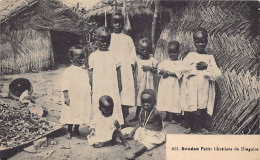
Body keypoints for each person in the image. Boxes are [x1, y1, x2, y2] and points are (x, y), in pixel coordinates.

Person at [182, 28, 221, 134]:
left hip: (204, 87)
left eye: (203, 41)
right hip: (192, 86)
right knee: (190, 105)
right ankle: (188, 126)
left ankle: (203, 127)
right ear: (194, 42)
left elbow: (217, 73)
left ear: (207, 41)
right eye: (197, 41)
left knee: (203, 106)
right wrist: (194, 67)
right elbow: (182, 68)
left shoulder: (209, 58)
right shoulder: (190, 56)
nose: (200, 44)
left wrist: (207, 67)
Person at [88, 26, 124, 125]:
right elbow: (91, 72)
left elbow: (118, 71)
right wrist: (91, 85)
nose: (104, 44)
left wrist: (120, 84)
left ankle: (114, 123)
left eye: (107, 41)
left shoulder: (114, 55)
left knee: (113, 101)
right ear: (96, 40)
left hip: (112, 85)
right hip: (98, 86)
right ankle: (97, 124)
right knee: (98, 102)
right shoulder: (93, 56)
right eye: (101, 41)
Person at [109, 12, 136, 126]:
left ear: (123, 24)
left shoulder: (128, 39)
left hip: (125, 71)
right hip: (112, 70)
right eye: (115, 22)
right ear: (111, 23)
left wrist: (132, 65)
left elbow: (132, 54)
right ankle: (112, 119)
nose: (117, 25)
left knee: (125, 94)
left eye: (119, 22)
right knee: (113, 93)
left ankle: (123, 118)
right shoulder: (108, 37)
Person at [122, 89, 166, 160]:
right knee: (126, 130)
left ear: (154, 102)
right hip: (144, 130)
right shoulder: (142, 111)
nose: (145, 104)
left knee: (148, 142)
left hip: (155, 134)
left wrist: (159, 119)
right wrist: (131, 133)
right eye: (143, 102)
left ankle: (135, 153)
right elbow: (140, 123)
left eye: (149, 102)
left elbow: (160, 125)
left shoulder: (156, 112)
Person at [60, 45, 92, 139]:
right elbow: (65, 85)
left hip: (81, 97)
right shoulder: (68, 71)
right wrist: (66, 97)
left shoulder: (83, 71)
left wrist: (89, 92)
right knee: (70, 113)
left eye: (83, 57)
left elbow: (87, 83)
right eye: (78, 57)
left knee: (79, 112)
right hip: (72, 97)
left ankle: (76, 129)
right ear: (71, 58)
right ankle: (69, 130)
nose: (81, 59)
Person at [129, 38, 158, 122]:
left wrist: (149, 68)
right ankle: (137, 115)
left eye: (147, 49)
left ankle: (149, 117)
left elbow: (156, 71)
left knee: (148, 98)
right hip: (140, 82)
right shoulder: (137, 60)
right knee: (139, 99)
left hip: (149, 83)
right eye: (142, 49)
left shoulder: (152, 60)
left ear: (150, 50)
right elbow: (133, 68)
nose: (145, 51)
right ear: (139, 50)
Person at [157, 41, 183, 124]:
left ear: (178, 52)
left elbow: (179, 73)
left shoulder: (180, 63)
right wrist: (163, 72)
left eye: (174, 52)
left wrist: (168, 73)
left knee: (173, 99)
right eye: (170, 52)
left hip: (174, 85)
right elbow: (159, 70)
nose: (172, 54)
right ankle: (167, 115)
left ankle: (173, 117)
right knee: (166, 99)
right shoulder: (165, 62)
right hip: (165, 85)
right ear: (168, 52)